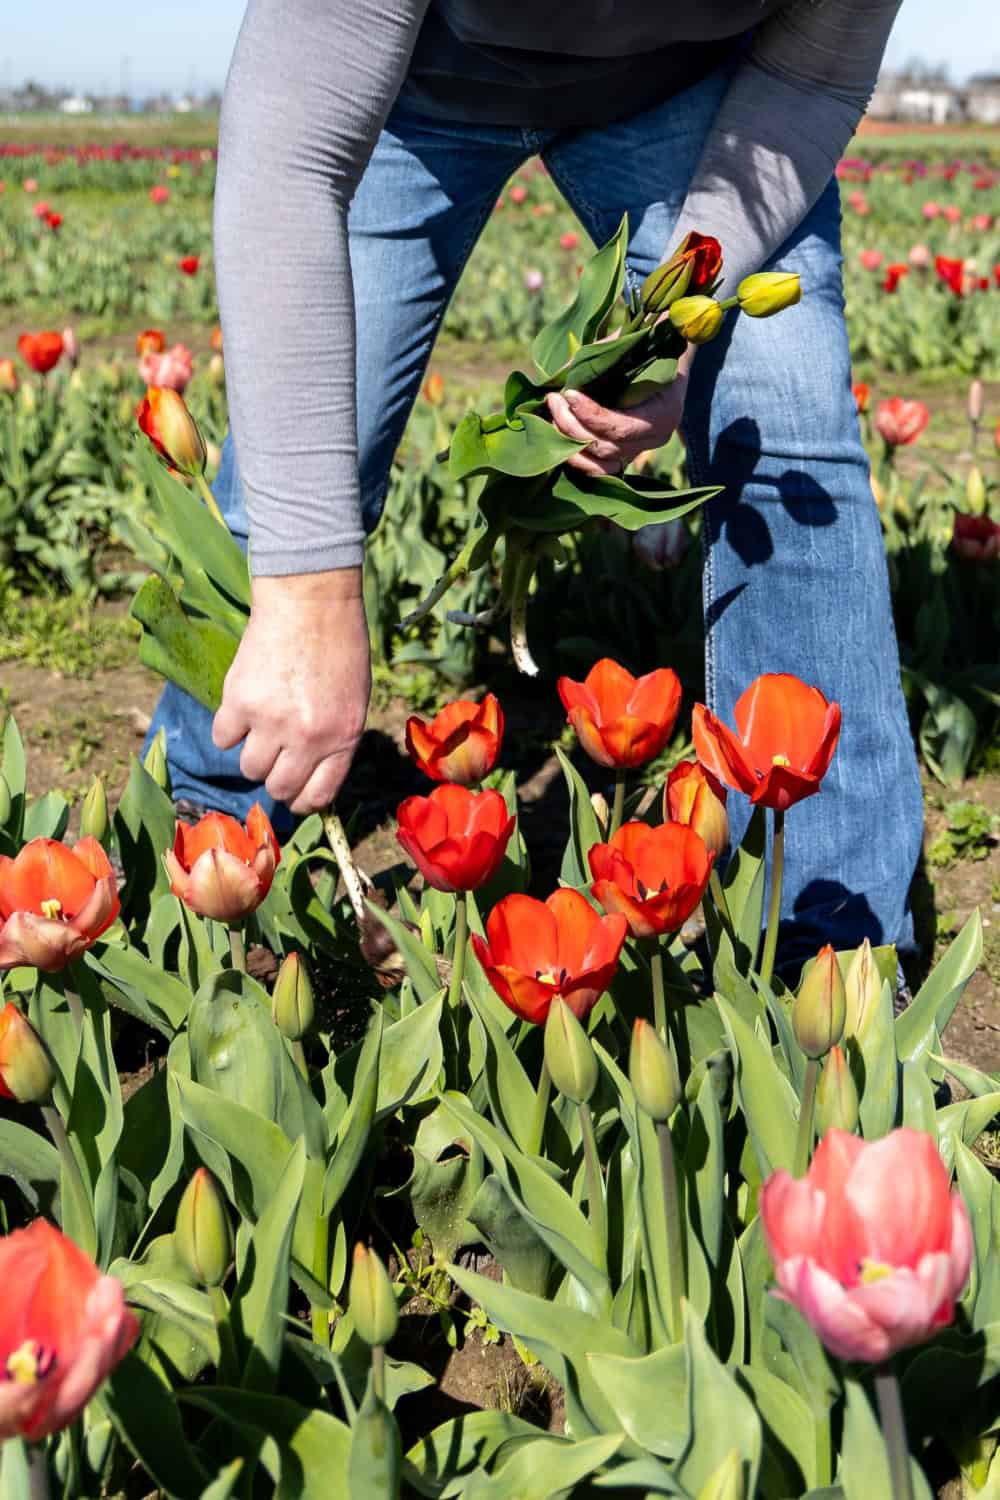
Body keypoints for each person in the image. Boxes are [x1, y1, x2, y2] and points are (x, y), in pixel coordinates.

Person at [147, 0, 923, 969]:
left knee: (787, 426)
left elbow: (809, 78)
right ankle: (208, 840)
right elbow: (289, 154)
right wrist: (309, 593)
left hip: (686, 94)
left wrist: (676, 323)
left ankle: (833, 946)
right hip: (412, 88)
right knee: (309, 450)